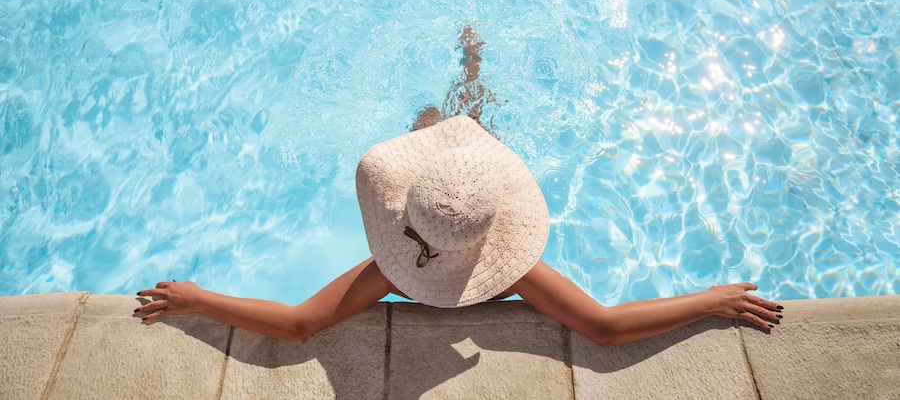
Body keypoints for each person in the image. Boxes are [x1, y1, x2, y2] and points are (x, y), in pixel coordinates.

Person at [135, 26, 783, 345]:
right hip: (458, 202)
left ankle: (460, 83)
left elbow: (301, 324)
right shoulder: (515, 272)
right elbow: (604, 328)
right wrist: (709, 300)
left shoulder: (391, 272)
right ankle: (471, 69)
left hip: (437, 197)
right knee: (463, 125)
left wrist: (201, 299)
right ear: (497, 228)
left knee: (436, 127)